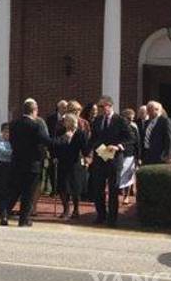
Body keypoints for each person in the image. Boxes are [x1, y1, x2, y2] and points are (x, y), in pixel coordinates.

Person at [2, 98, 64, 227]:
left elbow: (12, 141)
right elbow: (48, 141)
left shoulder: (13, 124)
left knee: (14, 190)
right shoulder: (36, 126)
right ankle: (23, 219)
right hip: (32, 164)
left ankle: (5, 214)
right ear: (34, 111)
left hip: (17, 161)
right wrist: (64, 139)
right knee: (28, 193)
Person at [88, 96, 134, 226]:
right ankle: (101, 215)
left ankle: (112, 219)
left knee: (113, 190)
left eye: (103, 107)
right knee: (98, 188)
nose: (101, 110)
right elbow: (93, 138)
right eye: (99, 107)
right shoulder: (97, 120)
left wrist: (118, 146)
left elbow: (130, 138)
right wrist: (89, 152)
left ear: (110, 105)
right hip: (100, 157)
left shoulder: (120, 120)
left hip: (114, 159)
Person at [54, 113, 88, 219]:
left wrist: (87, 158)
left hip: (75, 163)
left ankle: (76, 209)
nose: (64, 122)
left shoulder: (80, 133)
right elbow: (55, 144)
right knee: (63, 187)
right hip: (63, 162)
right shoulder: (60, 132)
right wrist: (55, 156)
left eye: (66, 120)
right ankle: (66, 209)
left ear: (72, 122)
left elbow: (85, 148)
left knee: (75, 187)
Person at [142, 100, 171, 165]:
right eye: (147, 110)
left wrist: (167, 156)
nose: (147, 112)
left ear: (157, 110)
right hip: (147, 154)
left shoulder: (165, 121)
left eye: (150, 110)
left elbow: (169, 139)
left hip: (159, 155)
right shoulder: (147, 123)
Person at [118, 108, 139, 205]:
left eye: (132, 119)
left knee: (128, 175)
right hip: (118, 154)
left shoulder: (134, 127)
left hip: (129, 154)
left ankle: (126, 196)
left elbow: (137, 143)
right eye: (128, 118)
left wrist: (138, 157)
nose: (130, 121)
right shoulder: (117, 126)